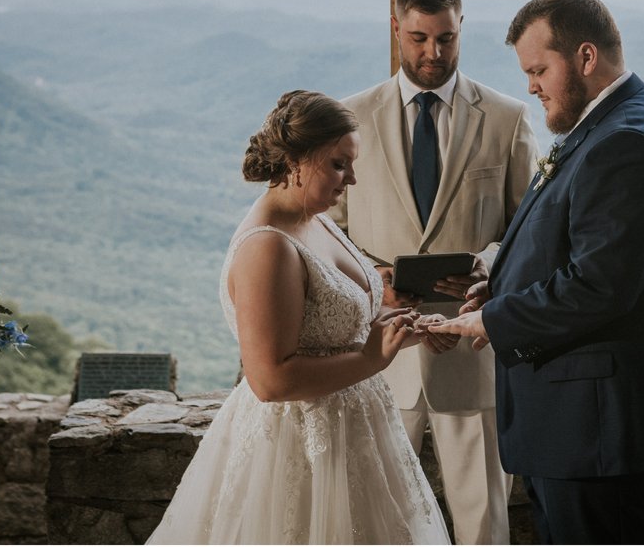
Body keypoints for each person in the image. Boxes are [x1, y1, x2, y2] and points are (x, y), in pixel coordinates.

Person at [430, 0, 644, 544]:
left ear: (586, 57)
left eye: (539, 69)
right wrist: (501, 282)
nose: (530, 86)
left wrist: (492, 320)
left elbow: (599, 286)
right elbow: (581, 247)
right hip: (578, 429)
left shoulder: (628, 142)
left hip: (599, 432)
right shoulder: (607, 127)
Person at [146, 90, 452, 544]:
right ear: (295, 159)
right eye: (338, 164)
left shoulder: (316, 218)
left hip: (359, 433)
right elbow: (270, 380)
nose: (350, 179)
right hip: (299, 448)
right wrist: (373, 359)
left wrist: (404, 332)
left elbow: (339, 332)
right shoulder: (267, 248)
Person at [330, 0, 537, 544]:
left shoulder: (506, 118)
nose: (433, 52)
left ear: (461, 28)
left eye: (445, 38)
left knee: (483, 523)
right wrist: (376, 281)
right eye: (419, 38)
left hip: (471, 354)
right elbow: (330, 233)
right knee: (372, 519)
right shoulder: (350, 119)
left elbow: (532, 231)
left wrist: (488, 269)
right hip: (380, 353)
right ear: (396, 29)